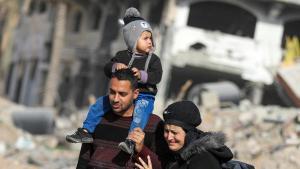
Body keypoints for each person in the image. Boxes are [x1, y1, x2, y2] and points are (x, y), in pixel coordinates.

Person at [66, 7, 163, 155]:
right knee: (99, 105)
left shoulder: (153, 60)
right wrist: (114, 66)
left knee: (140, 115)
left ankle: (130, 142)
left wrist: (142, 75)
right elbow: (106, 68)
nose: (150, 42)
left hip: (144, 95)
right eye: (145, 38)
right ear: (133, 39)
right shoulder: (121, 55)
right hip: (124, 94)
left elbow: (157, 76)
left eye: (151, 38)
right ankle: (86, 131)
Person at [76, 69, 168, 169]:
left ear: (135, 93)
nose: (115, 99)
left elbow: (164, 165)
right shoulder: (98, 119)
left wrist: (141, 150)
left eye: (122, 94)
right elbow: (83, 160)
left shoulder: (154, 124)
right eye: (112, 92)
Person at [135, 100, 234, 169]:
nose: (169, 137)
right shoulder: (177, 155)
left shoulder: (202, 159)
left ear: (188, 133)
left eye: (174, 132)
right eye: (166, 131)